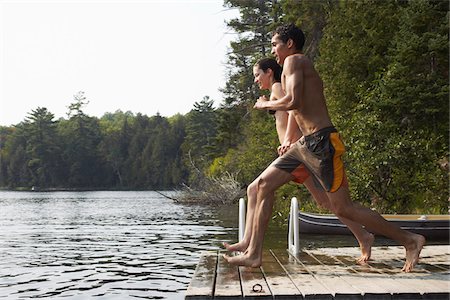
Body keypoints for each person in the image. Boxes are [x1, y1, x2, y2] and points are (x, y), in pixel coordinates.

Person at [224, 24, 425, 272]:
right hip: (303, 144)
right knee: (261, 186)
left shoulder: (295, 61)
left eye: (275, 44)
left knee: (343, 207)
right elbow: (297, 112)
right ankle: (253, 253)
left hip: (321, 143)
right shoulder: (291, 67)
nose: (273, 51)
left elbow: (294, 101)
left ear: (289, 44)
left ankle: (410, 240)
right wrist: (288, 137)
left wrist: (266, 104)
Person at [223, 58, 374, 264]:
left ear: (269, 72)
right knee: (322, 200)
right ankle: (363, 236)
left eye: (258, 75)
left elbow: (295, 109)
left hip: (297, 153)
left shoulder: (277, 87)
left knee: (259, 189)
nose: (256, 80)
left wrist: (287, 140)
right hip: (297, 153)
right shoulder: (276, 89)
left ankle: (249, 244)